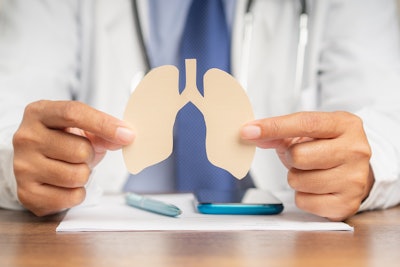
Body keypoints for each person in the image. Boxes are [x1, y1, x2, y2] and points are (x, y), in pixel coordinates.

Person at [0, 0, 399, 221]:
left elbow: (386, 116)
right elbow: (13, 116)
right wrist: (24, 159)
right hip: (110, 239)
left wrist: (364, 164)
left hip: (285, 237)